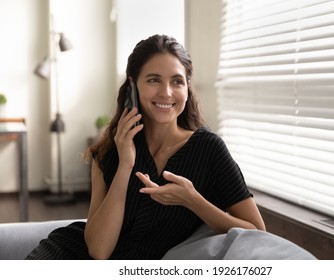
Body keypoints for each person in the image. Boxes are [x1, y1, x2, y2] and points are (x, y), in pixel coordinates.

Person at [26, 34, 265, 260]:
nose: (166, 92)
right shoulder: (108, 151)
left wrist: (192, 200)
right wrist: (125, 166)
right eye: (153, 80)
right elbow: (99, 250)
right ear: (132, 87)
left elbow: (256, 231)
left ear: (187, 88)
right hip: (68, 253)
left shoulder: (209, 149)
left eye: (177, 81)